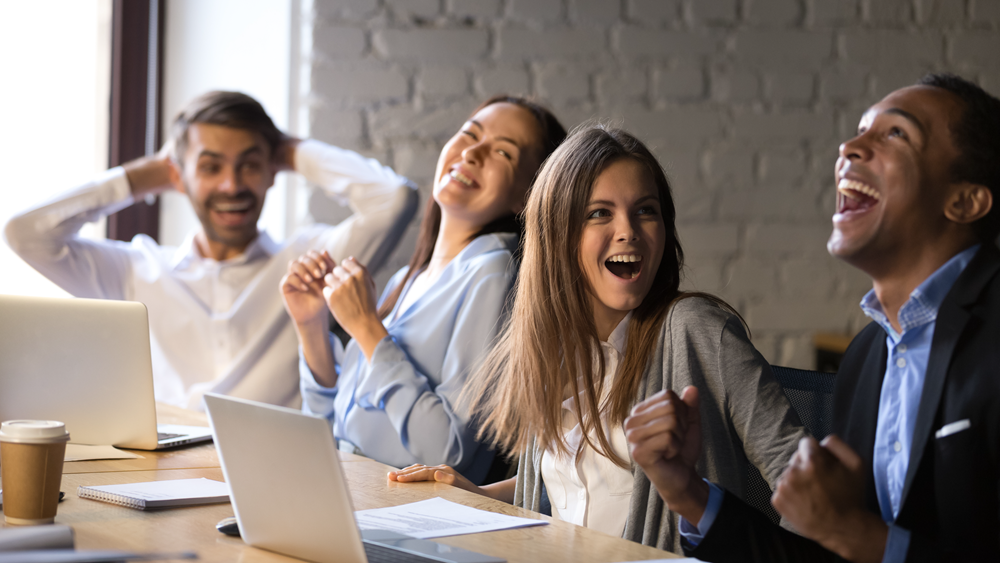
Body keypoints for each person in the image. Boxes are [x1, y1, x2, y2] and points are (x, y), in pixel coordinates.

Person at [626, 73, 1000, 562]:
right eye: (859, 130)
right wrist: (686, 493)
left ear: (965, 201)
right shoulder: (868, 355)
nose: (848, 146)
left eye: (895, 134)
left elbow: (853, 539)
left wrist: (854, 533)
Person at [387, 125, 805, 552]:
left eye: (646, 211)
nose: (629, 231)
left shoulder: (696, 328)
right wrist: (475, 494)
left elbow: (808, 487)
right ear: (557, 236)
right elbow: (575, 485)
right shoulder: (555, 347)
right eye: (599, 213)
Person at [4, 91, 417, 410]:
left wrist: (289, 150)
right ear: (178, 177)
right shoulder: (134, 270)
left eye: (250, 164)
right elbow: (25, 233)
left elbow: (395, 199)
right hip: (162, 476)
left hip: (274, 477)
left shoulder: (311, 261)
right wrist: (143, 177)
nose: (231, 185)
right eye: (210, 166)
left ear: (273, 171)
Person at [280, 96, 567, 485]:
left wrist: (366, 327)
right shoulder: (405, 282)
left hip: (410, 511)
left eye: (503, 152)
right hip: (351, 489)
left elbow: (448, 455)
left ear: (526, 196)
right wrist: (311, 326)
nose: (474, 151)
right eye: (470, 134)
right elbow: (329, 434)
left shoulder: (494, 272)